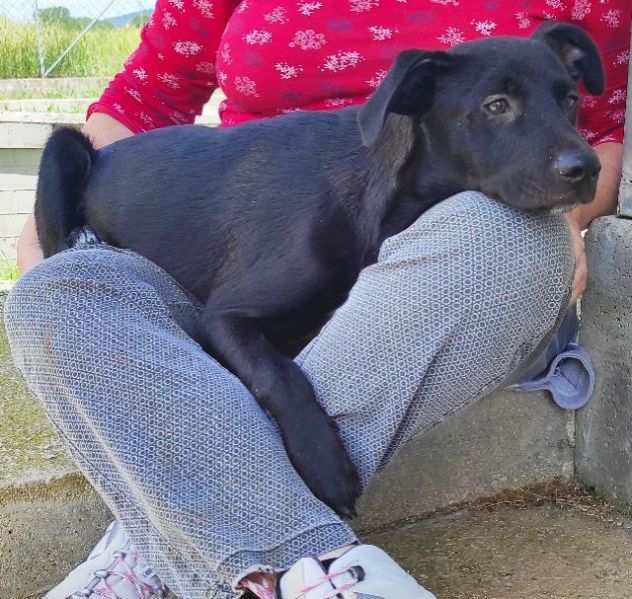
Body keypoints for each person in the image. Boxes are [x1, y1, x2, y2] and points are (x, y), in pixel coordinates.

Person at [6, 1, 630, 598]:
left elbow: (594, 144)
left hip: (453, 263)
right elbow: (148, 93)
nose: (558, 127)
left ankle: (167, 539)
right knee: (54, 294)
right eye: (499, 104)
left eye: (563, 101)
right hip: (247, 237)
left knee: (504, 235)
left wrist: (567, 219)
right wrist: (54, 226)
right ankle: (306, 565)